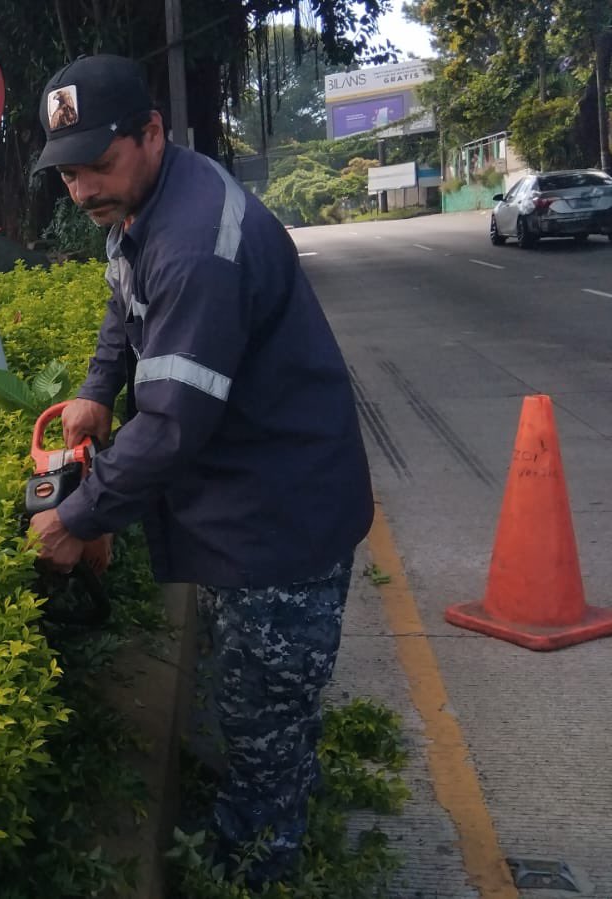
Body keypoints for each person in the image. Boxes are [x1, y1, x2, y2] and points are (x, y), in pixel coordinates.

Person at [24, 55, 373, 887]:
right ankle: (276, 790)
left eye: (96, 166)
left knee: (261, 720)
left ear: (151, 132)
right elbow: (122, 295)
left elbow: (173, 428)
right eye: (68, 172)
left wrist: (75, 518)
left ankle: (257, 864)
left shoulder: (195, 249)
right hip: (240, 498)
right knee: (256, 702)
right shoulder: (146, 198)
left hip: (276, 518)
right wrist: (95, 389)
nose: (81, 192)